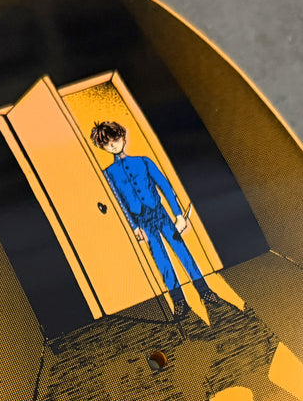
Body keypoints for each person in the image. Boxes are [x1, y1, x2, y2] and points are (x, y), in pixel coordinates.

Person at [90, 120, 224, 321]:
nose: (113, 145)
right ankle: (179, 301)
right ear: (103, 147)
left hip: (160, 213)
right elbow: (120, 202)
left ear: (122, 138)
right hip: (142, 220)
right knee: (161, 260)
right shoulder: (109, 174)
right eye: (107, 144)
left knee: (183, 252)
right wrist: (134, 226)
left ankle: (204, 291)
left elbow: (165, 187)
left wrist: (178, 215)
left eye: (115, 140)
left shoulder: (143, 161)